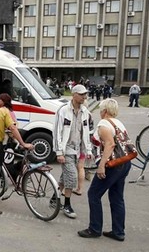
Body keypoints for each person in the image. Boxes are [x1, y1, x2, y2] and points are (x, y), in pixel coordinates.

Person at [78, 98, 131, 241]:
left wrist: (101, 166)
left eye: (101, 109)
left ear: (105, 111)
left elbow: (110, 144)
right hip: (124, 163)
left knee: (94, 194)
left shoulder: (103, 124)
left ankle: (94, 229)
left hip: (112, 165)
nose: (100, 112)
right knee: (117, 197)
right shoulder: (118, 123)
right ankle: (118, 232)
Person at [53, 84, 94, 219]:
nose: (84, 97)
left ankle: (54, 197)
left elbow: (86, 132)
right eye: (81, 94)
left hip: (78, 150)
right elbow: (57, 131)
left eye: (85, 94)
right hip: (66, 150)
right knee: (72, 176)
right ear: (74, 95)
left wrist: (88, 149)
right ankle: (67, 205)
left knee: (65, 177)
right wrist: (59, 152)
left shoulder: (85, 112)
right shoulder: (63, 110)